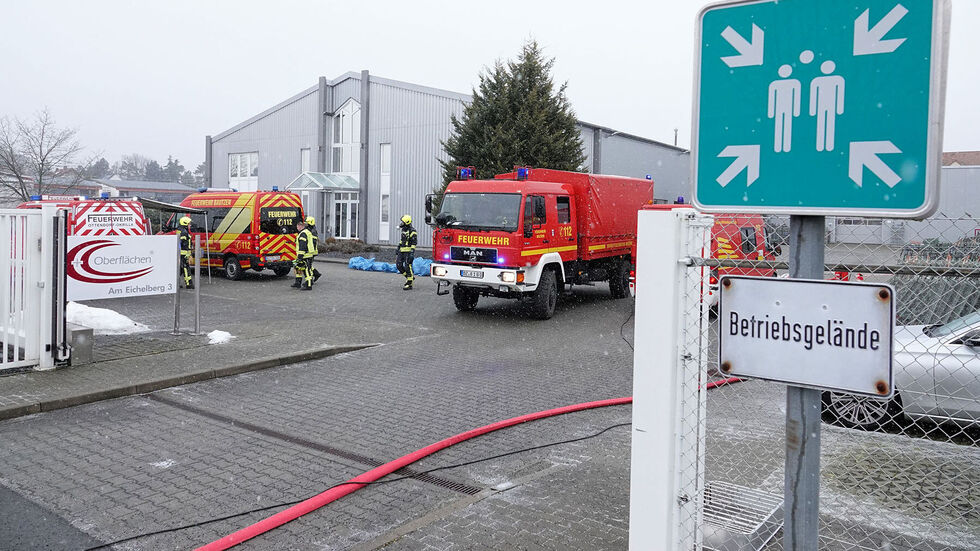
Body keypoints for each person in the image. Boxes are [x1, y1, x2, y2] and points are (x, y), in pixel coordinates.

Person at [292, 218, 316, 290]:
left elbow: (302, 245)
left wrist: (300, 256)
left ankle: (308, 285)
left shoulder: (303, 233)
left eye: (298, 226)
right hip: (306, 254)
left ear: (301, 226)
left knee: (306, 270)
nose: (297, 227)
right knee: (298, 267)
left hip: (305, 255)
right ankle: (298, 282)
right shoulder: (305, 232)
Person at [396, 214, 417, 290]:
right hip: (401, 250)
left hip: (408, 252)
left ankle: (409, 283)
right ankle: (409, 277)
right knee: (399, 265)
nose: (401, 224)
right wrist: (398, 247)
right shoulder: (403, 230)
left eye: (403, 222)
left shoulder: (413, 231)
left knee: (408, 266)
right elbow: (402, 240)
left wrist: (412, 252)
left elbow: (414, 242)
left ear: (406, 223)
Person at [177, 216, 194, 289]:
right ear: (185, 224)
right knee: (186, 268)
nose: (190, 225)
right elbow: (181, 243)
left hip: (182, 254)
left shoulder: (180, 230)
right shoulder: (184, 232)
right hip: (184, 254)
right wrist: (188, 253)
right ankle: (189, 284)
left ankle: (176, 283)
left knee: (180, 269)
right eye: (189, 224)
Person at [305, 216, 322, 283]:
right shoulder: (310, 229)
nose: (306, 224)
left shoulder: (312, 231)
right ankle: (316, 274)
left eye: (307, 223)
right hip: (311, 251)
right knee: (308, 265)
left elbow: (313, 242)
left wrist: (309, 250)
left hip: (312, 251)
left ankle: (310, 279)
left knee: (308, 266)